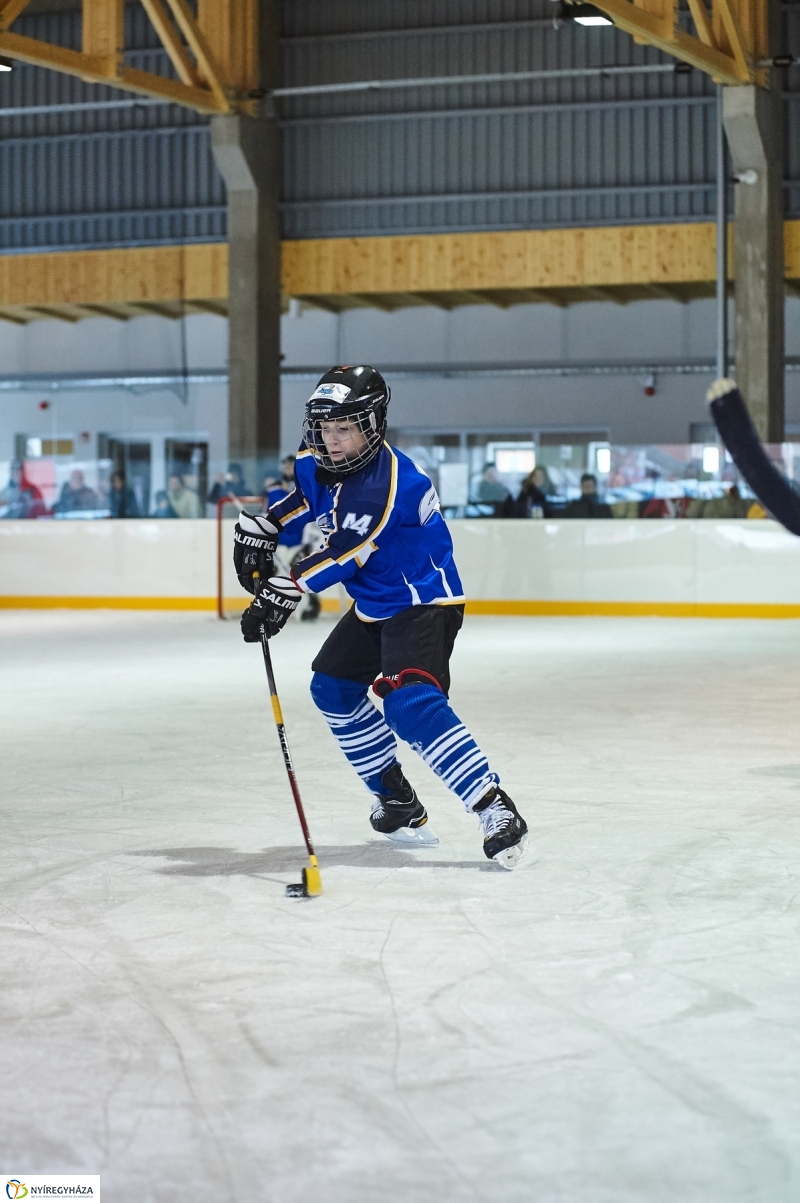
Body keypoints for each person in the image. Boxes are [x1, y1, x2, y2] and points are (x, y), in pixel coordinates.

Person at [233, 365, 528, 869]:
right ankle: (396, 799)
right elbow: (306, 499)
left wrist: (284, 589)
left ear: (372, 425)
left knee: (409, 704)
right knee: (332, 688)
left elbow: (346, 551)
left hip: (423, 602)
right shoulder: (318, 460)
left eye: (344, 428)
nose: (331, 440)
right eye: (324, 428)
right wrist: (265, 525)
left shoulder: (392, 484)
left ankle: (494, 807)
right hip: (374, 603)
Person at [264, 454, 320, 622]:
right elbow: (266, 514)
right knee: (274, 575)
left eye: (291, 466)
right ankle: (272, 608)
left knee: (303, 575)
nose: (288, 469)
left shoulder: (307, 487)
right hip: (280, 543)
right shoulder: (273, 490)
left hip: (300, 542)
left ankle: (311, 606)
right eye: (286, 466)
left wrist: (311, 540)